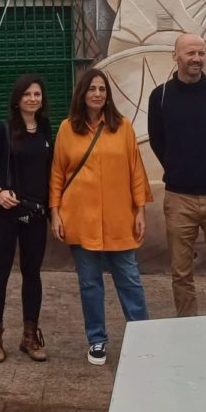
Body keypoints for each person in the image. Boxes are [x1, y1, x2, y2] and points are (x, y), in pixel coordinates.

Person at [49, 68, 152, 366]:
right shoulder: (67, 129)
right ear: (82, 94)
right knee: (90, 283)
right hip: (80, 218)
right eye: (91, 89)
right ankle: (96, 340)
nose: (97, 94)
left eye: (102, 89)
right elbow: (57, 173)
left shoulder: (124, 128)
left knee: (129, 279)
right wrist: (55, 213)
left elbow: (136, 172)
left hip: (120, 218)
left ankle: (142, 336)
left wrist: (140, 211)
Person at [148, 32, 206, 316]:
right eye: (190, 53)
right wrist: (178, 167)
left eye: (201, 53)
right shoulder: (160, 96)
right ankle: (188, 326)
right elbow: (157, 141)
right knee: (181, 273)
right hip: (179, 199)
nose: (197, 59)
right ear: (176, 56)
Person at [0, 74, 53, 363]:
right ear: (17, 99)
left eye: (37, 94)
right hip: (4, 214)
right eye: (27, 94)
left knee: (32, 275)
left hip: (35, 214)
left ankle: (29, 337)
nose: (33, 99)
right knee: (1, 273)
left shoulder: (45, 129)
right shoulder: (3, 130)